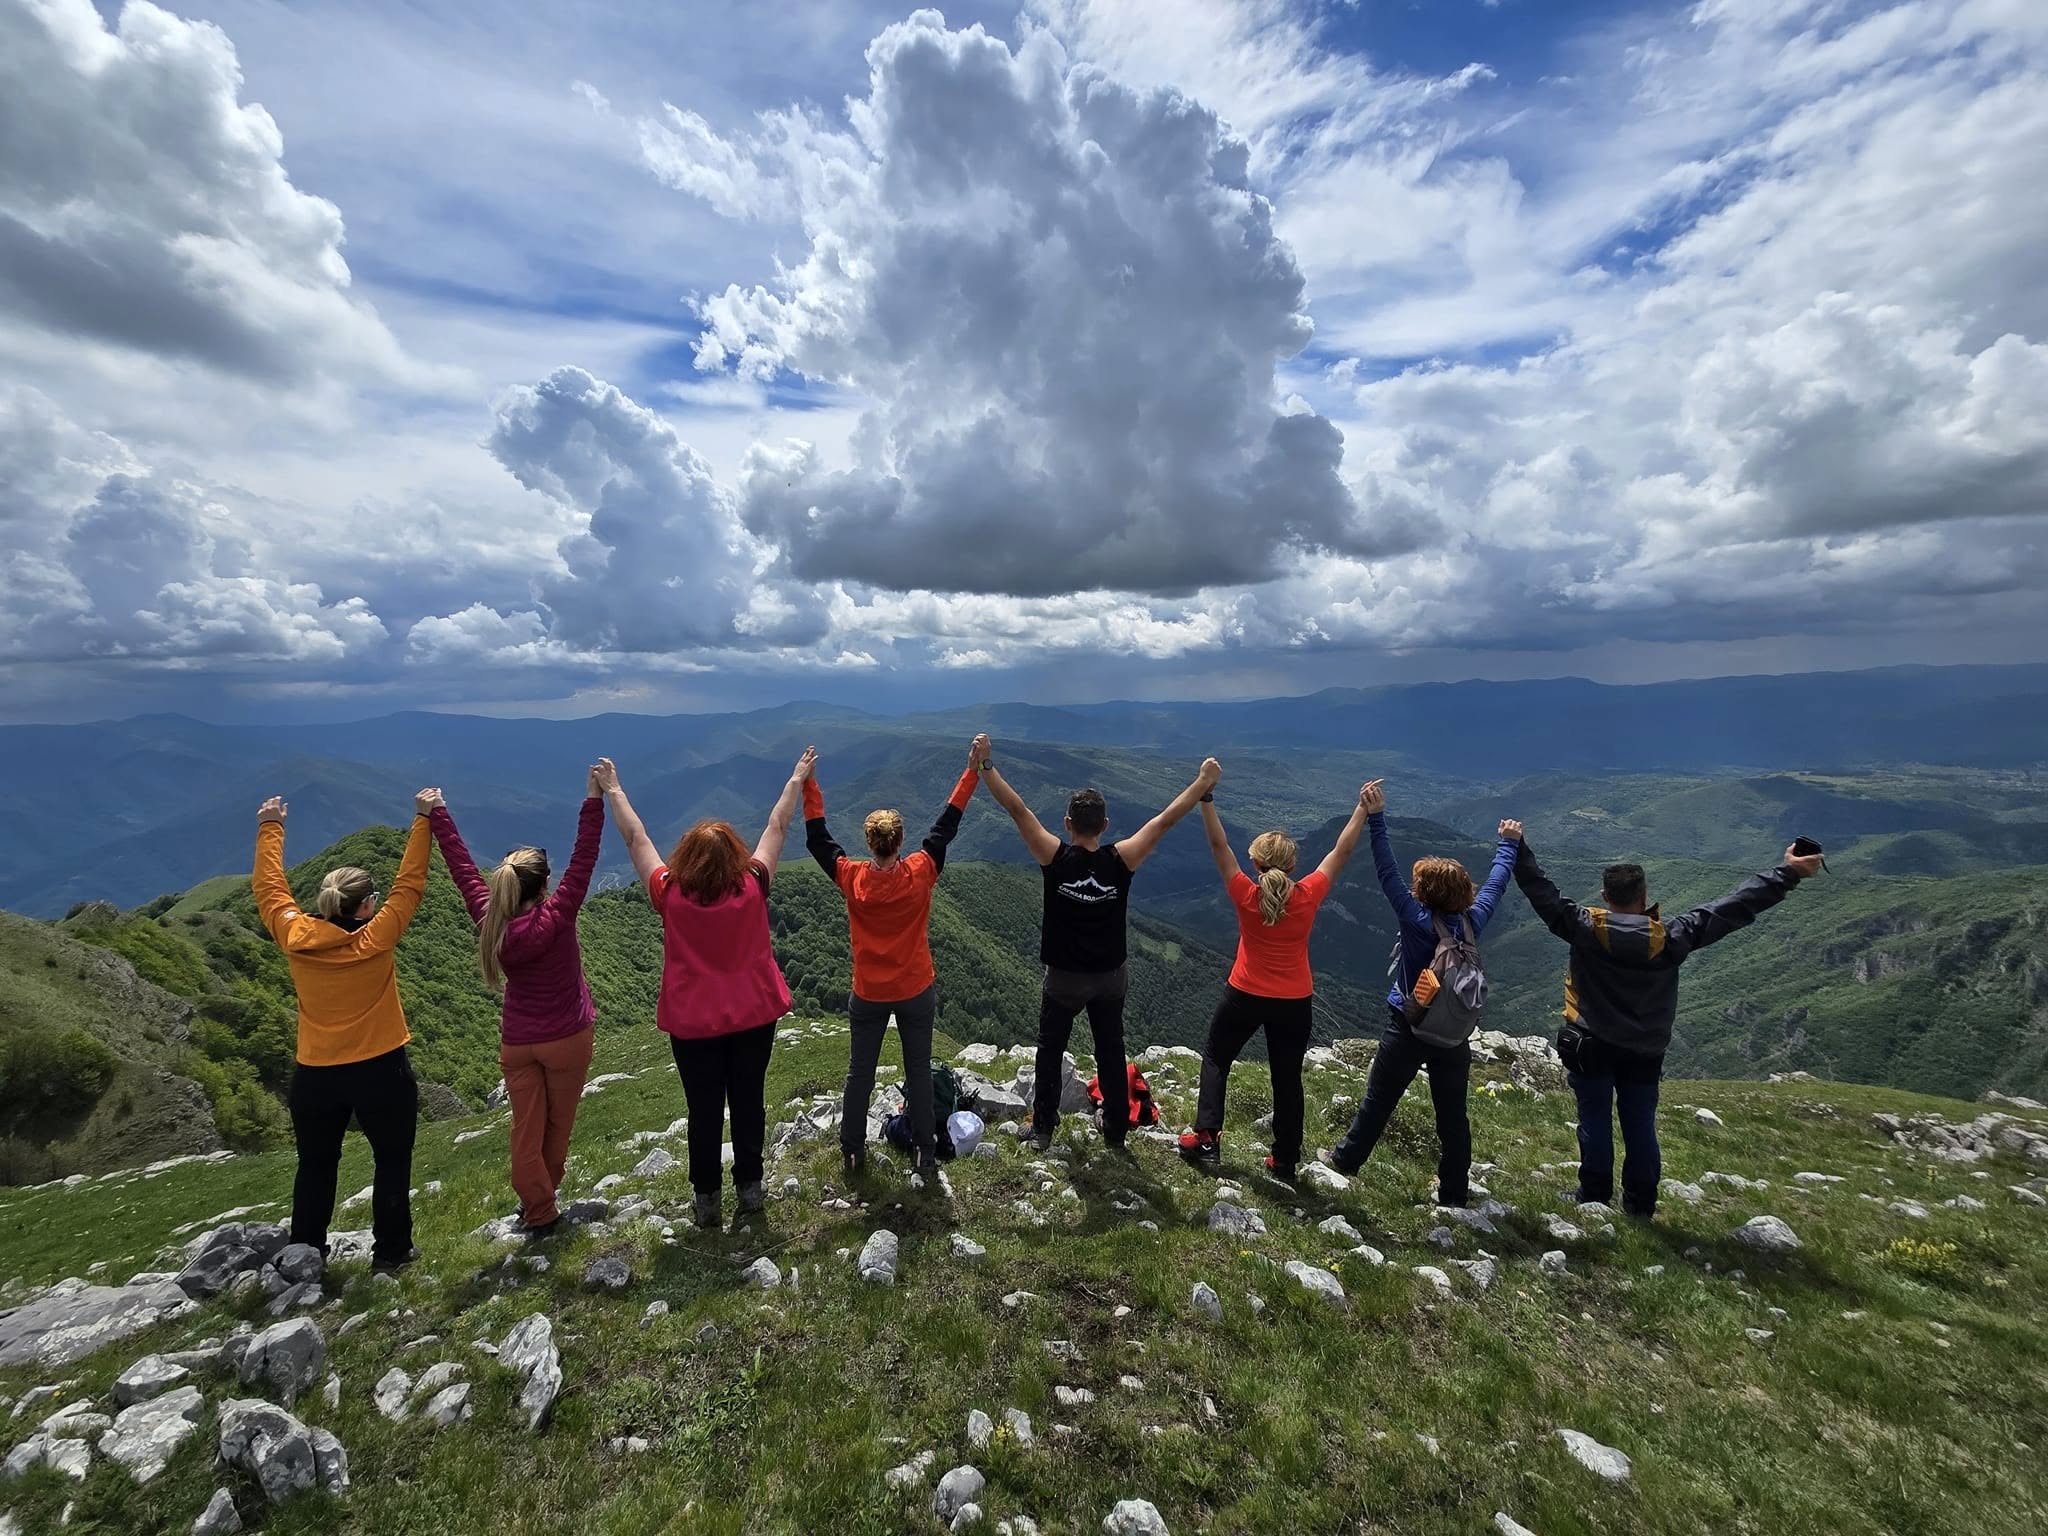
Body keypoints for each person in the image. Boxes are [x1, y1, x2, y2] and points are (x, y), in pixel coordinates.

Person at [1509, 826, 1826, 1216]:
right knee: (1640, 1124)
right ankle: (1640, 1204)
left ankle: (1593, 1195)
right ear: (1644, 896)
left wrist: (1516, 846)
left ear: (1605, 896)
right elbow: (1734, 907)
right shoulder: (1674, 937)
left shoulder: (1584, 928)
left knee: (1594, 1117)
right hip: (1645, 1050)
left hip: (1591, 1044)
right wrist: (1788, 872)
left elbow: (1540, 889)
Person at [601, 751, 811, 1229]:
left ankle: (706, 1198)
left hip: (693, 1025)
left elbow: (636, 838)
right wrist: (796, 779)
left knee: (703, 1109)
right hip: (753, 1017)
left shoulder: (670, 894)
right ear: (735, 855)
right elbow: (777, 827)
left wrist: (614, 790)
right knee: (749, 1100)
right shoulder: (753, 885)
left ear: (687, 858)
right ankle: (750, 1188)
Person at [977, 738, 1220, 1151]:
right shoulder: (1120, 859)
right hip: (1110, 976)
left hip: (1064, 978)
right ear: (1105, 825)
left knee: (1050, 1050)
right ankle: (1116, 1131)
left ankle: (1043, 1128)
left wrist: (986, 766)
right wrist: (1202, 783)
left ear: (1067, 823)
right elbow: (1164, 821)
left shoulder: (1054, 858)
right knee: (1110, 1048)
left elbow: (1018, 810)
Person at [252, 789, 433, 1273]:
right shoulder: (377, 937)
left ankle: (305, 1254)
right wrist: (423, 819)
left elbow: (270, 891)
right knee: (391, 1159)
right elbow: (410, 884)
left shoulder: (295, 936)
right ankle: (391, 1253)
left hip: (316, 1073)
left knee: (315, 1163)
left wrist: (271, 826)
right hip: (381, 1068)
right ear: (368, 904)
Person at [426, 770, 606, 1238]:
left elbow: (462, 869)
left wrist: (438, 813)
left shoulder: (490, 920)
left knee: (525, 1127)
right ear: (544, 886)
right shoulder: (557, 916)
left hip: (518, 1042)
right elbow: (586, 855)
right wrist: (595, 796)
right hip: (567, 1037)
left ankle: (537, 1206)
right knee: (557, 1127)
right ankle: (541, 1205)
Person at [1322, 783, 1519, 1204]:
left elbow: (1386, 871)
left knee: (1379, 1100)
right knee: (1453, 1117)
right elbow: (1496, 885)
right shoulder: (1473, 922)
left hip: (1408, 1025)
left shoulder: (1415, 919)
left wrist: (1376, 818)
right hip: (1453, 1035)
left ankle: (1344, 1161)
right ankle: (1453, 1192)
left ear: (1423, 892)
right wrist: (1508, 844)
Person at [1179, 769, 1370, 1180]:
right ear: (1293, 865)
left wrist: (1206, 798)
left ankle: (1207, 1138)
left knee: (1216, 1057)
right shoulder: (1308, 895)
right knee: (1286, 1077)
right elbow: (1341, 851)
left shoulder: (1246, 895)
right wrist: (1361, 810)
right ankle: (1284, 1160)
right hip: (1294, 1000)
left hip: (1244, 992)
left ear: (1256, 863)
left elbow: (1218, 846)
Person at [806, 737, 981, 1178]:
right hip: (915, 987)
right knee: (918, 1071)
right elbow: (947, 824)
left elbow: (818, 840)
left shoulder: (851, 878)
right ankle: (924, 1152)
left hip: (868, 991)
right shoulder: (921, 872)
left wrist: (808, 784)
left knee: (859, 1073)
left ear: (869, 842)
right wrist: (972, 771)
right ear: (900, 840)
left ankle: (852, 1152)